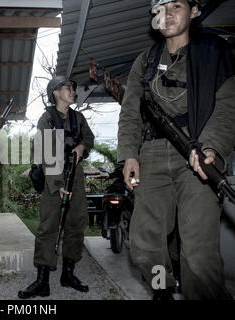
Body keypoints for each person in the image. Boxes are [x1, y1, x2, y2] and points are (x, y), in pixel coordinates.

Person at [117, 0, 235, 299]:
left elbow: (227, 107)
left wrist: (212, 148)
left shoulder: (215, 54)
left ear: (194, 11)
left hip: (197, 156)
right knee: (144, 248)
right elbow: (130, 112)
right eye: (161, 7)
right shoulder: (144, 61)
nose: (167, 14)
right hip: (152, 154)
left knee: (198, 258)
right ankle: (163, 290)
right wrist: (129, 154)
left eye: (176, 6)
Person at [18, 76, 95, 299]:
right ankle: (42, 280)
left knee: (76, 223)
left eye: (72, 88)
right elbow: (45, 152)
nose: (72, 91)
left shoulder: (78, 118)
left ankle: (68, 274)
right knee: (48, 226)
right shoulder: (47, 119)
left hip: (76, 174)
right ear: (55, 93)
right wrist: (58, 184)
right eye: (67, 88)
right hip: (53, 175)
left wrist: (82, 146)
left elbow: (89, 138)